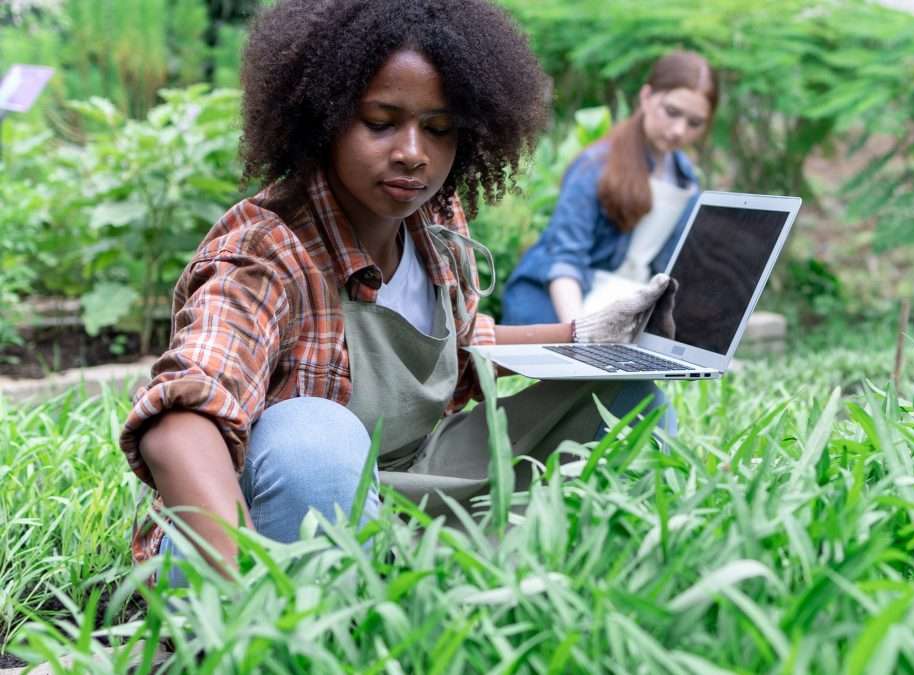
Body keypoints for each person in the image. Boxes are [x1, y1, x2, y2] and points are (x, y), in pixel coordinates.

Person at [119, 0, 674, 584]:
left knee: (627, 400)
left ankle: (593, 580)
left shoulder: (433, 219)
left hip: (407, 481)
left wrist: (583, 336)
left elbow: (454, 351)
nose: (414, 152)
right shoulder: (266, 253)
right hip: (269, 520)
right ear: (324, 119)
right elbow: (183, 415)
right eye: (381, 122)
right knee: (314, 433)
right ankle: (315, 612)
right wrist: (240, 588)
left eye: (438, 129)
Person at [501, 50, 719, 325]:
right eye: (672, 112)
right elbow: (565, 260)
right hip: (553, 307)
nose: (679, 130)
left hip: (620, 310)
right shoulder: (595, 165)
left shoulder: (687, 182)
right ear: (647, 97)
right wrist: (577, 335)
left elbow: (666, 274)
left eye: (694, 123)